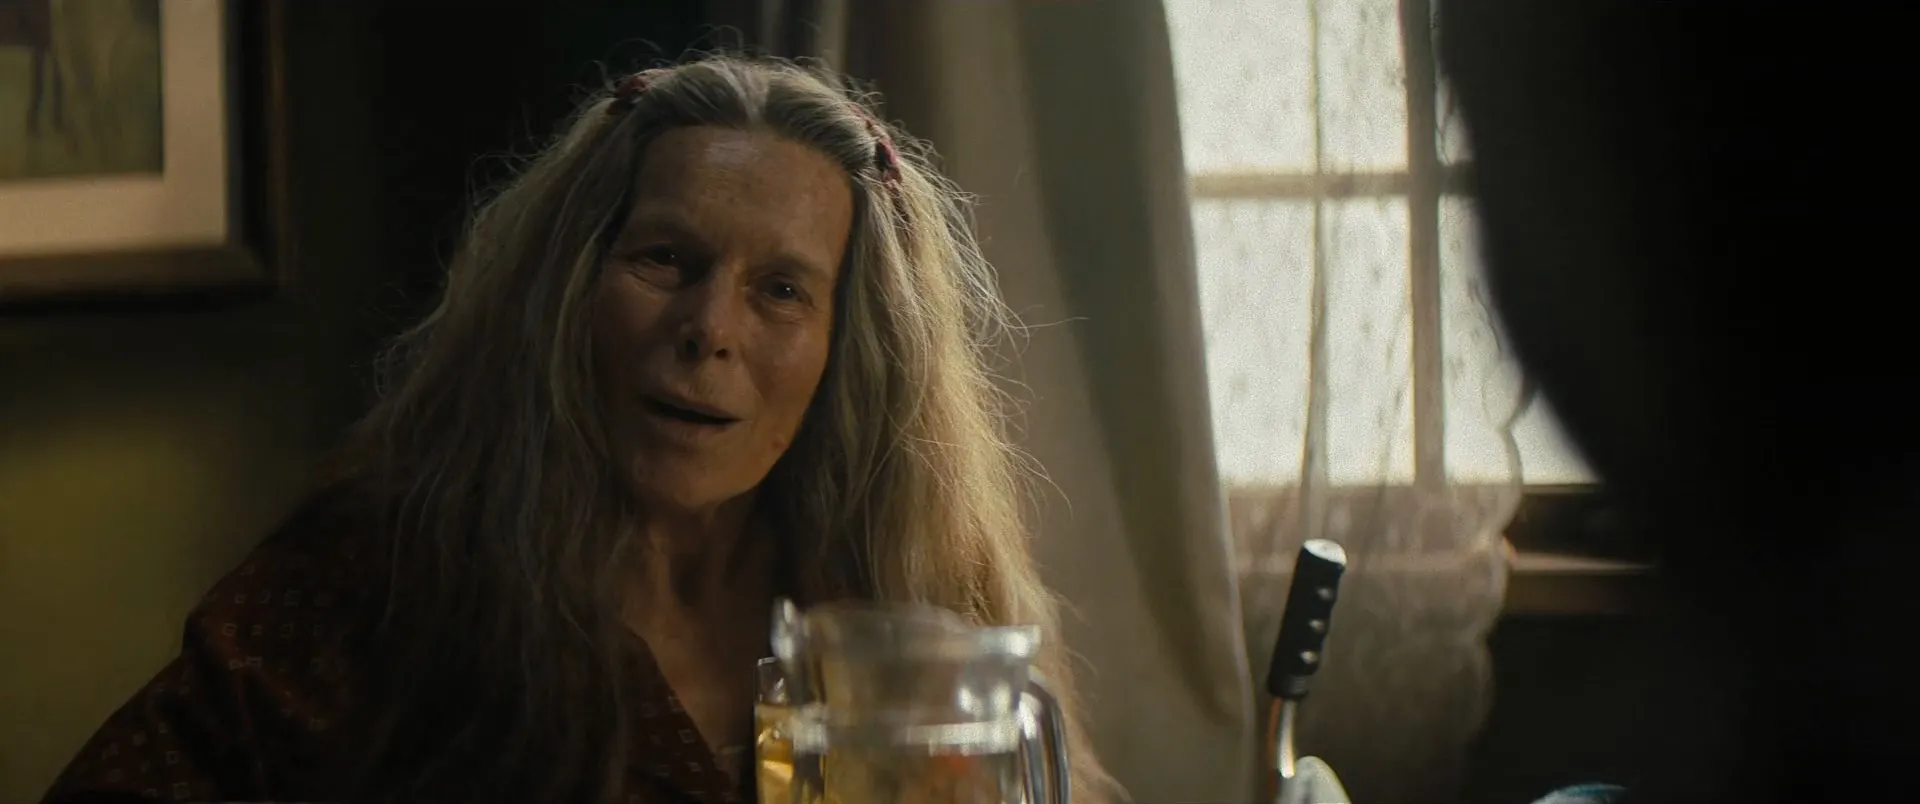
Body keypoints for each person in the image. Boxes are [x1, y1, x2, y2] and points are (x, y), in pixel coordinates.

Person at [41, 54, 1112, 804]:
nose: (709, 328)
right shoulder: (375, 580)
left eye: (781, 290)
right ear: (567, 292)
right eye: (665, 260)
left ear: (850, 350)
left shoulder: (908, 603)